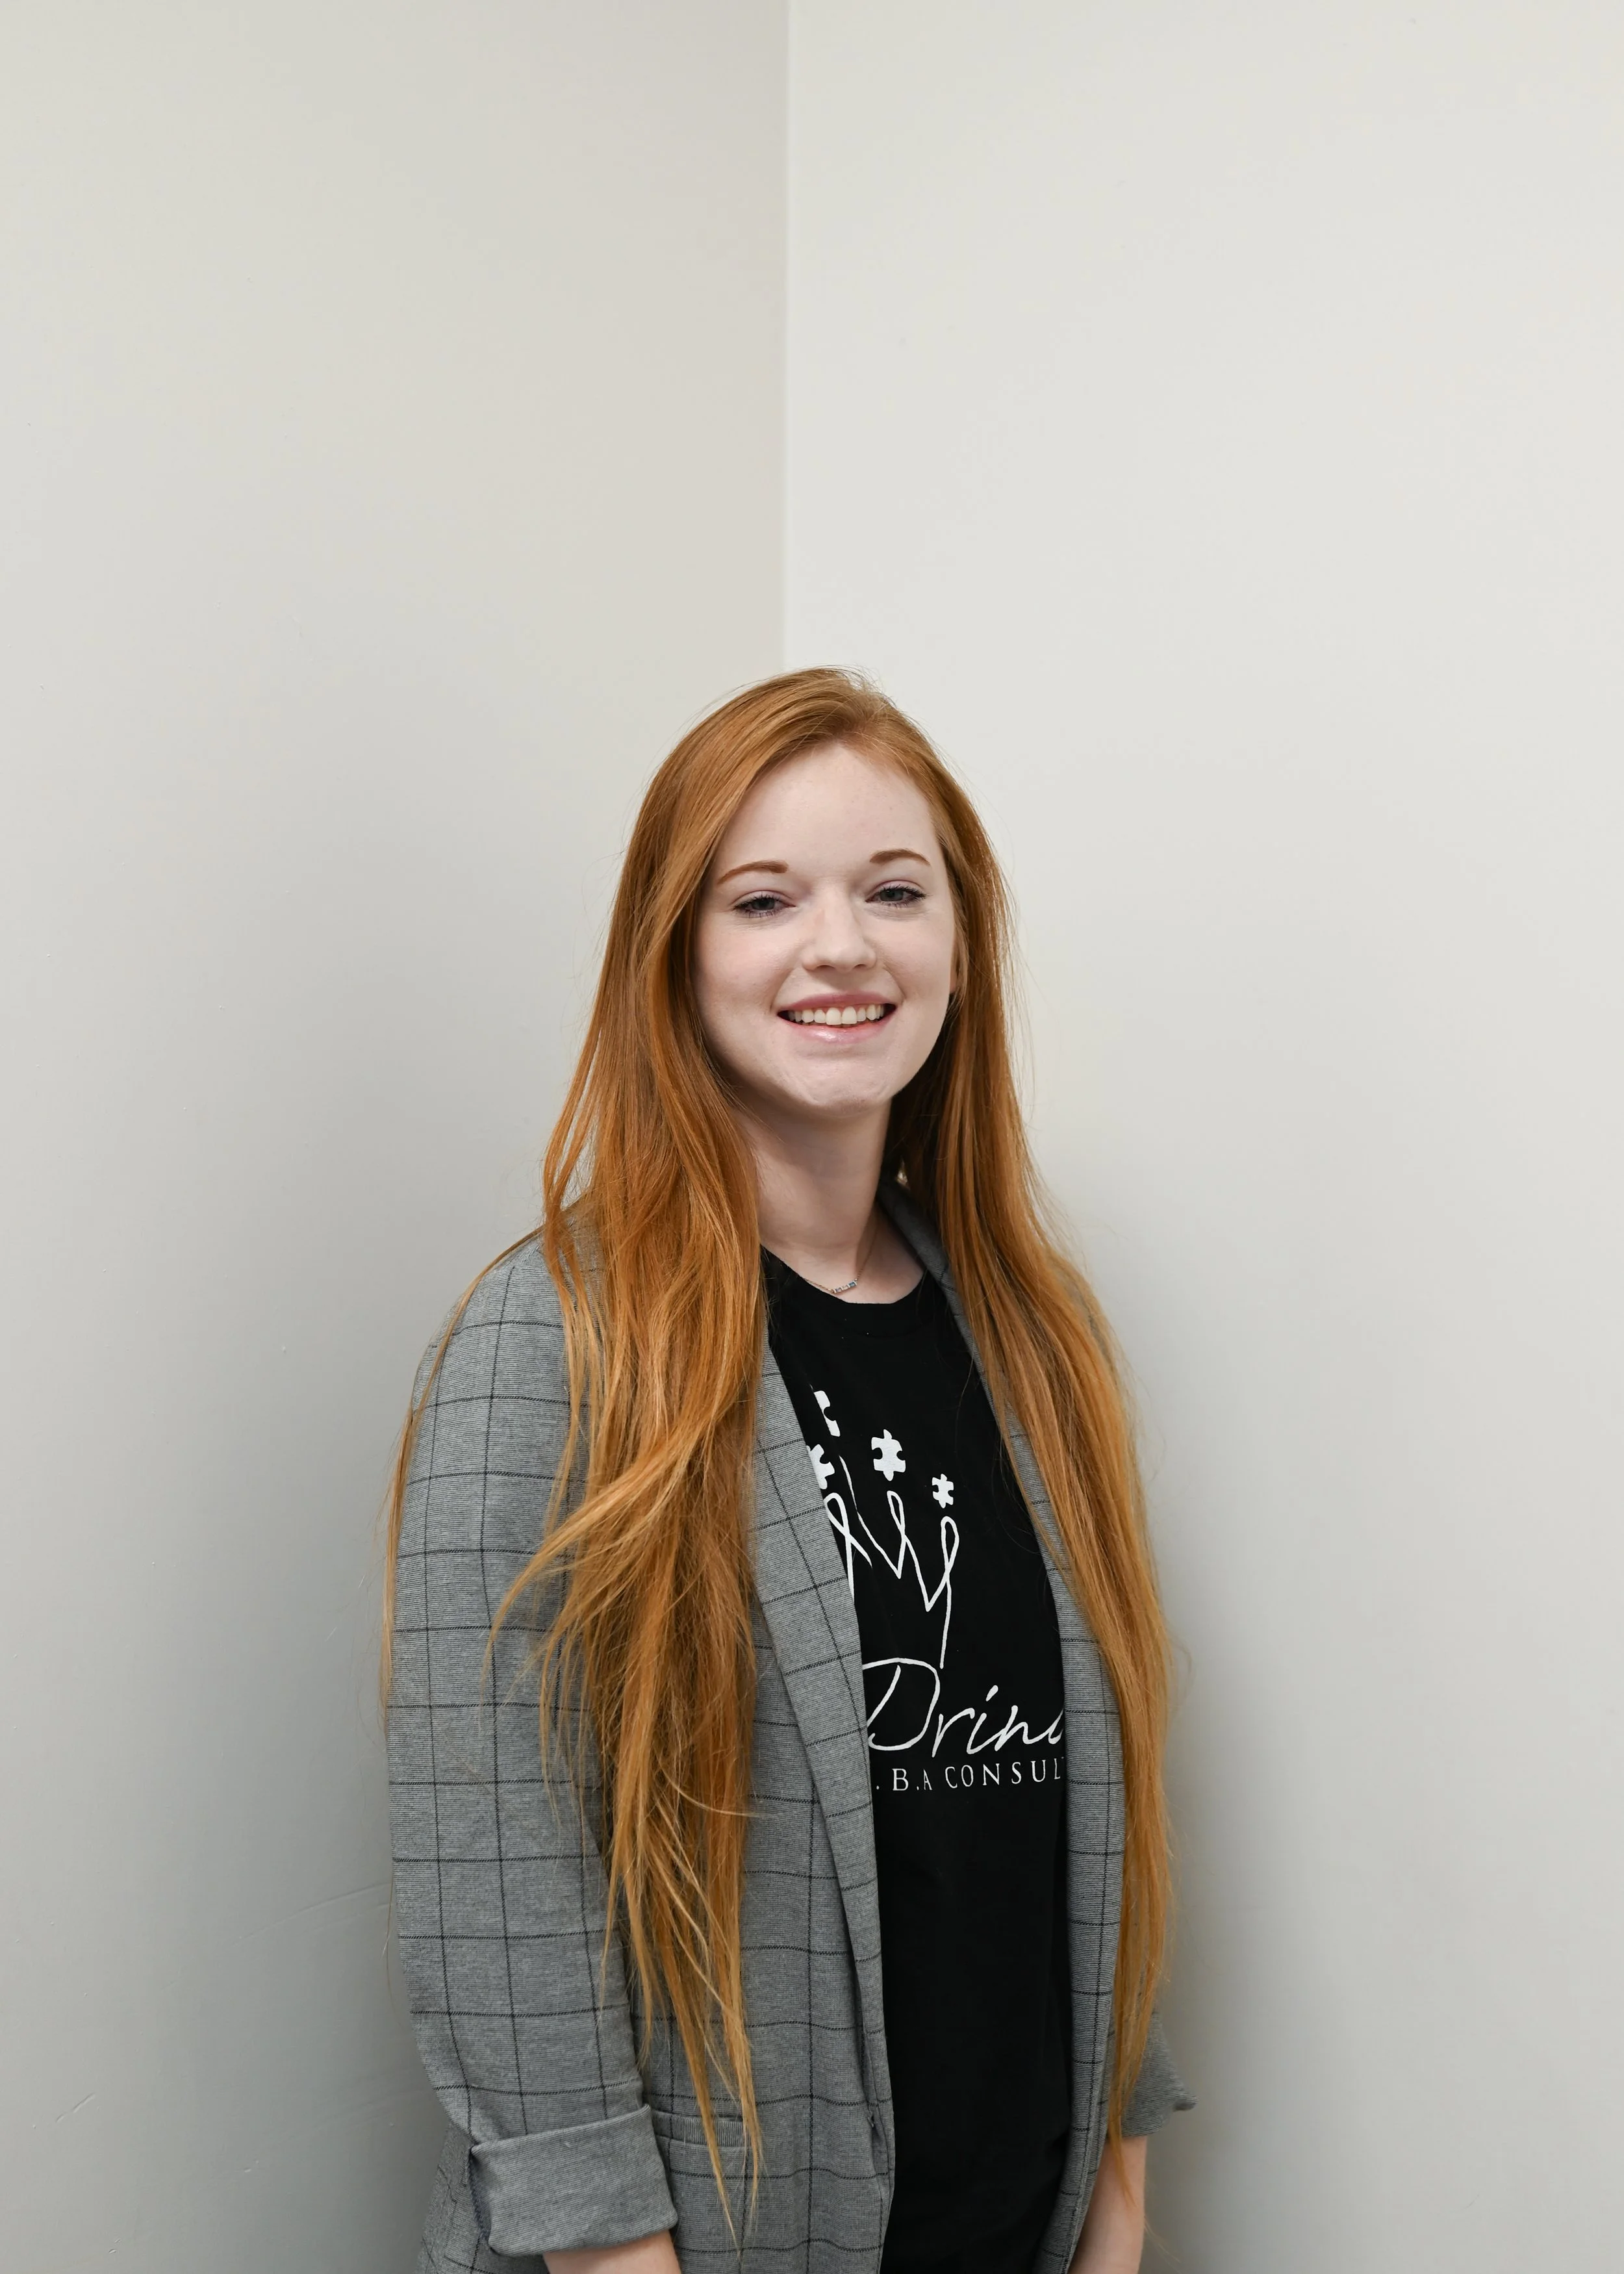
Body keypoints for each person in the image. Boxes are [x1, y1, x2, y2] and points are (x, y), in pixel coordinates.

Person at [383, 669, 1191, 2274]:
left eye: (893, 891)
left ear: (959, 944)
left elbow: (1084, 1813)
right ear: (674, 953)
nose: (841, 946)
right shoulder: (555, 1337)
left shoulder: (1030, 1330)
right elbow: (497, 1874)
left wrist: (1116, 2190)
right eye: (763, 900)